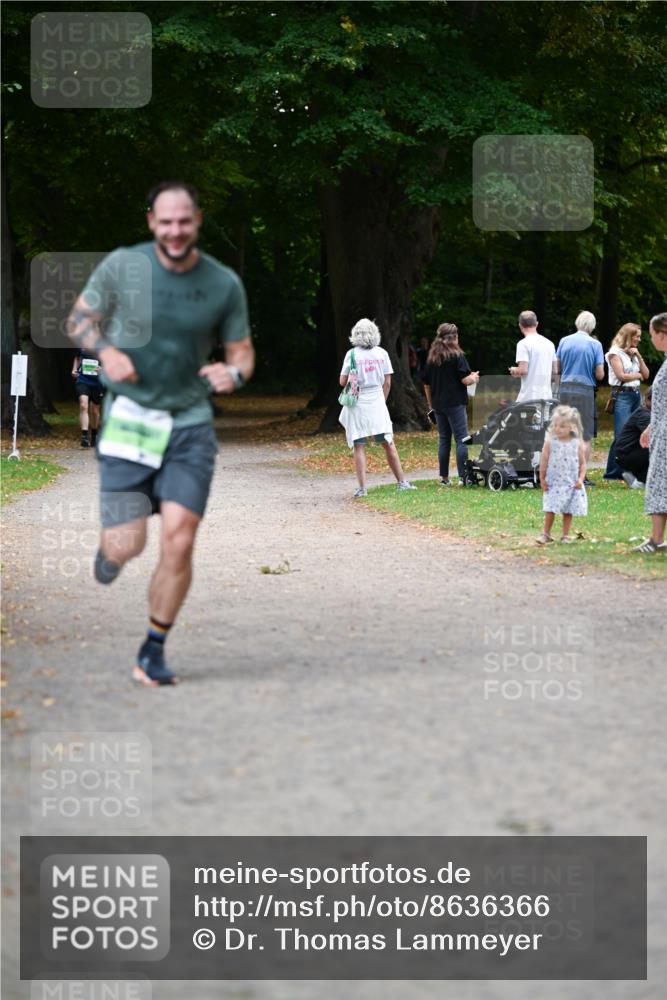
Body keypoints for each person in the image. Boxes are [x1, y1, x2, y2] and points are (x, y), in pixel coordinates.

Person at [66, 181, 255, 685]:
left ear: (197, 221)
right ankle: (111, 552)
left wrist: (232, 374)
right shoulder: (123, 266)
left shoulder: (222, 284)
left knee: (180, 537)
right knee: (128, 544)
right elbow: (80, 320)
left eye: (184, 221)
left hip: (189, 425)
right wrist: (104, 350)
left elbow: (241, 351)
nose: (175, 231)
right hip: (131, 419)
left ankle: (153, 649)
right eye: (165, 222)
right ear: (152, 221)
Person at [338, 318, 415, 498]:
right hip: (377, 402)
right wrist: (382, 401)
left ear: (355, 334)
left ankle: (362, 488)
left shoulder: (352, 355)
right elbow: (387, 382)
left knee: (359, 445)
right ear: (375, 333)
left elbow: (342, 381)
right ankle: (402, 482)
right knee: (388, 443)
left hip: (357, 403)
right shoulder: (382, 353)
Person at [422, 323, 480, 486]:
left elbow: (426, 385)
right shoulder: (457, 355)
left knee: (444, 440)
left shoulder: (431, 357)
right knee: (461, 439)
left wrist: (431, 405)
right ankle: (463, 477)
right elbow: (465, 379)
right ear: (455, 337)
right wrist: (474, 377)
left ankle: (444, 478)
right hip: (455, 403)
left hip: (439, 404)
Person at [633, 313, 667, 553]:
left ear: (662, 335)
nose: (651, 338)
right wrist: (651, 426)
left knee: (658, 482)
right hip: (661, 430)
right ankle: (656, 538)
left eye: (652, 333)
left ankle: (655, 540)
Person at [554, 311, 604, 467]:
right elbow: (600, 374)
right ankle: (581, 474)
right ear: (592, 327)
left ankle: (564, 470)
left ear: (577, 323)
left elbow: (557, 369)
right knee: (585, 435)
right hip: (585, 391)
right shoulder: (595, 345)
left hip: (565, 390)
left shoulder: (564, 341)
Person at [603, 322, 649, 479]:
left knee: (635, 434)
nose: (639, 339)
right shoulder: (614, 353)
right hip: (622, 395)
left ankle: (630, 470)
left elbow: (647, 374)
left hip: (636, 395)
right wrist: (637, 375)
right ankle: (613, 472)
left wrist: (638, 356)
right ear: (628, 336)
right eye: (637, 336)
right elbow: (621, 375)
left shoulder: (634, 353)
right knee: (621, 434)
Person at [536, 405, 587, 545]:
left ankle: (565, 535)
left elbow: (582, 464)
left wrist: (581, 479)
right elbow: (544, 462)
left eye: (562, 426)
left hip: (571, 484)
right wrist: (542, 479)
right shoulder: (550, 443)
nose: (558, 428)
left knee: (568, 510)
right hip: (554, 483)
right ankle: (546, 533)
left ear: (571, 427)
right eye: (556, 425)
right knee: (550, 508)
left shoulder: (576, 443)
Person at [508, 310, 556, 402]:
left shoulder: (523, 344)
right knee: (544, 417)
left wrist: (514, 370)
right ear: (536, 324)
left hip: (529, 398)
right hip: (547, 397)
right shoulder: (550, 344)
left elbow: (523, 370)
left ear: (520, 325)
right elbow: (555, 370)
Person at [616, 389, 651, 489]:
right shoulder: (645, 415)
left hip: (628, 453)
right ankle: (640, 482)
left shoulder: (645, 411)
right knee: (657, 450)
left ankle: (635, 476)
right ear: (650, 399)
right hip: (626, 455)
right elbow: (655, 439)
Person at [71, 349, 104, 448]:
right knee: (83, 405)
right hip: (83, 380)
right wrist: (74, 369)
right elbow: (77, 357)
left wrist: (103, 369)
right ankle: (84, 436)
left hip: (98, 382)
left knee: (95, 410)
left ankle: (94, 434)